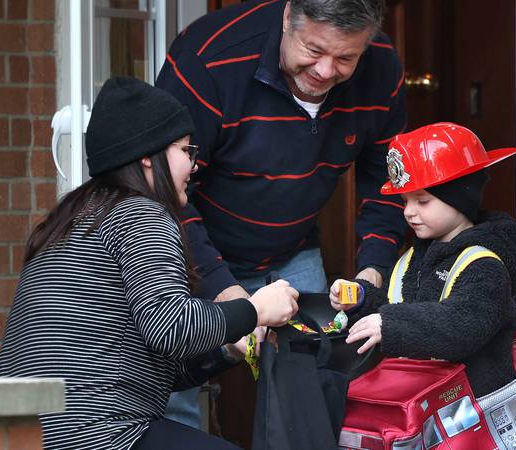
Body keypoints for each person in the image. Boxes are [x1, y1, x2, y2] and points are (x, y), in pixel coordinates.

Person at [0, 77, 300, 450]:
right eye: (186, 150)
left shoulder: (74, 217)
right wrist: (254, 308)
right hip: (87, 430)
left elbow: (147, 360)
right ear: (149, 156)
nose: (194, 165)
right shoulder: (140, 214)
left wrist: (227, 348)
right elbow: (171, 328)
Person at [156, 0, 407, 426]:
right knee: (171, 391)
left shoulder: (381, 67)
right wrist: (230, 297)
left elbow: (386, 185)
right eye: (313, 50)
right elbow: (165, 193)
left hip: (291, 251)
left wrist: (372, 276)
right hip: (188, 254)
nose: (326, 71)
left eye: (346, 57)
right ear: (289, 16)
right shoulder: (208, 58)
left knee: (314, 380)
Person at [330, 122, 516, 397]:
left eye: (422, 201)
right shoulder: (412, 258)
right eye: (404, 201)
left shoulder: (485, 265)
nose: (409, 212)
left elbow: (462, 324)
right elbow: (393, 307)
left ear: (460, 198)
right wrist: (361, 299)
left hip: (474, 409)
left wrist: (390, 325)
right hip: (423, 403)